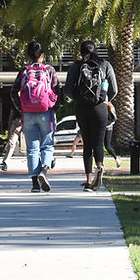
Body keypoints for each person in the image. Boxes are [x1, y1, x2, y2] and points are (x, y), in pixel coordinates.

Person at [64, 40, 117, 191]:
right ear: (95, 51)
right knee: (98, 143)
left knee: (87, 144)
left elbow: (67, 90)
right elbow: (115, 89)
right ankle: (99, 167)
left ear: (81, 52)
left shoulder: (76, 66)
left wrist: (78, 98)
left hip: (82, 108)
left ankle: (88, 181)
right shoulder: (105, 65)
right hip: (100, 107)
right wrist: (104, 100)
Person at [11, 40, 61, 193]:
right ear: (42, 55)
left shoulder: (24, 71)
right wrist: (55, 107)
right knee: (47, 144)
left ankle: (34, 184)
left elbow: (13, 92)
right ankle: (44, 171)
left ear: (28, 55)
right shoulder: (49, 70)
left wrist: (21, 109)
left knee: (32, 148)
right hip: (46, 112)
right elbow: (57, 89)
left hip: (28, 113)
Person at [104, 102, 122, 168]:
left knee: (107, 146)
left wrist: (105, 124)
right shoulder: (101, 106)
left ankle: (116, 158)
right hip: (101, 128)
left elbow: (114, 119)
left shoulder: (110, 107)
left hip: (108, 129)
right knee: (99, 146)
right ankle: (100, 164)